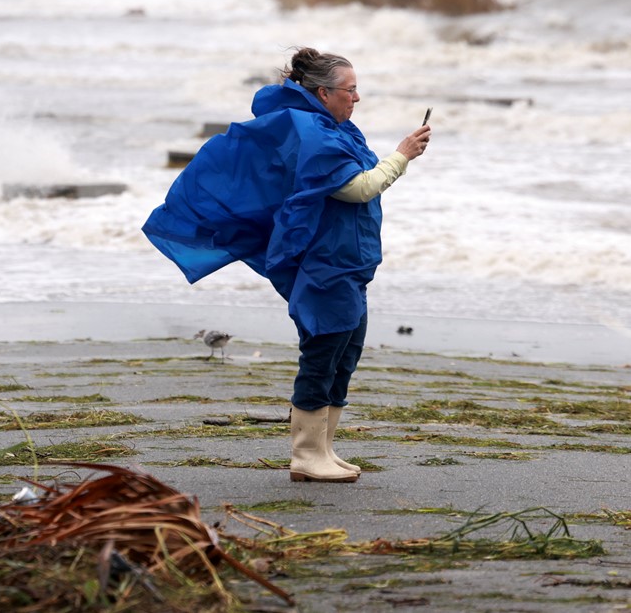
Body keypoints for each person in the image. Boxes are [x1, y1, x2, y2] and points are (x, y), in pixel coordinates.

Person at [142, 47, 430, 483]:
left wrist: (397, 158)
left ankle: (325, 450)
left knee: (345, 354)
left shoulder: (338, 128)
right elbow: (360, 188)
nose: (357, 98)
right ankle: (305, 456)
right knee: (322, 353)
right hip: (325, 264)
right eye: (351, 90)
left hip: (350, 261)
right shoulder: (315, 132)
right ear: (323, 92)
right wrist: (403, 154)